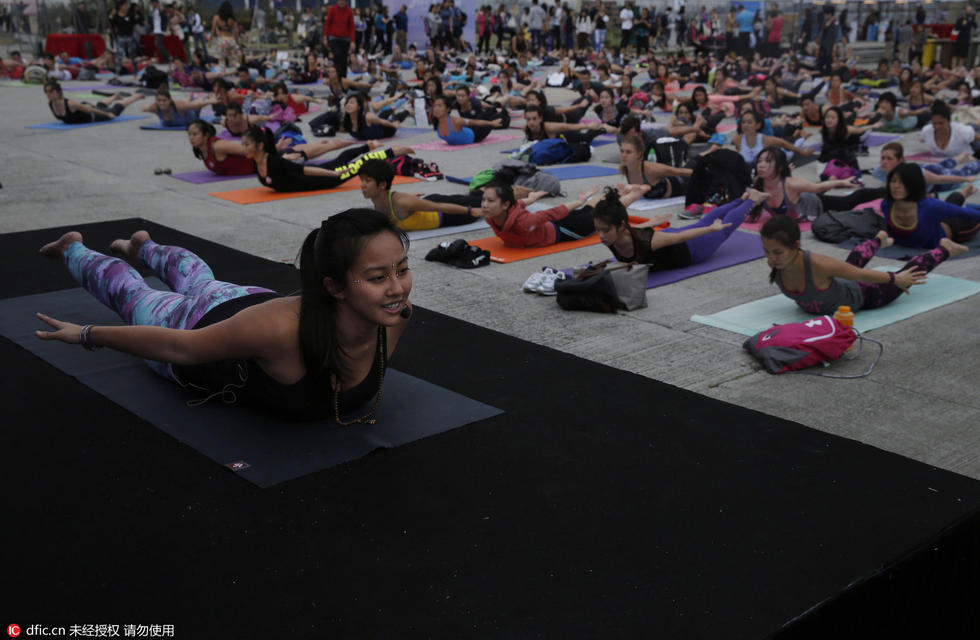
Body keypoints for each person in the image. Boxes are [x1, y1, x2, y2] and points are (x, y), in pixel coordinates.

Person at [34, 210, 413, 423]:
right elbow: (180, 347)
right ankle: (73, 248)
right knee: (134, 295)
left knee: (200, 278)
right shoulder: (281, 330)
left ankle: (143, 245)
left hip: (244, 302)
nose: (397, 288)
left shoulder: (395, 316)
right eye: (379, 277)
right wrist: (86, 333)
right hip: (192, 324)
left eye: (402, 269)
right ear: (334, 286)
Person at [760, 214, 965, 316]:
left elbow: (859, 274)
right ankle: (879, 239)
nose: (772, 258)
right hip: (840, 285)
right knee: (850, 262)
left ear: (796, 246)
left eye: (778, 252)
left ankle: (945, 249)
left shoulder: (817, 264)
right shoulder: (780, 266)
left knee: (906, 275)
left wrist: (896, 279)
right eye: (767, 252)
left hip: (865, 296)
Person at [594, 187, 770, 272]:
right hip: (669, 238)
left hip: (689, 249)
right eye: (598, 230)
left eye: (605, 230)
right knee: (707, 218)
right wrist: (650, 223)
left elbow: (682, 237)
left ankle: (751, 200)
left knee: (722, 230)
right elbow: (635, 230)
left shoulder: (646, 241)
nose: (601, 236)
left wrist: (711, 229)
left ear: (621, 226)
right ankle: (742, 198)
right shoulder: (614, 236)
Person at [358, 158, 480, 231]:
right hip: (428, 204)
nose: (362, 185)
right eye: (362, 180)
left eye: (367, 181)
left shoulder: (402, 202)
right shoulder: (379, 204)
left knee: (485, 200)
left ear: (382, 184)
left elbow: (441, 207)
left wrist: (470, 211)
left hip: (448, 214)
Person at [881, 162, 980, 249]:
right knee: (946, 206)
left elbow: (965, 213)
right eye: (893, 181)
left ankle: (965, 192)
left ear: (914, 184)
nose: (896, 186)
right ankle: (964, 192)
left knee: (952, 209)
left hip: (956, 228)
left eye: (902, 182)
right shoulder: (886, 205)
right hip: (934, 219)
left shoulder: (930, 206)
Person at [618, 136, 691, 200]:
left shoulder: (650, 169)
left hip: (687, 184)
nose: (623, 155)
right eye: (622, 151)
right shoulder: (625, 168)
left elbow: (679, 171)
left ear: (639, 154)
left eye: (628, 152)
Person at [44, 81, 144, 124]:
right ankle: (114, 96)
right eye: (46, 91)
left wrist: (108, 114)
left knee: (114, 111)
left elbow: (89, 109)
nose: (48, 94)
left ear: (58, 91)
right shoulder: (50, 104)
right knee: (100, 106)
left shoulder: (70, 104)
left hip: (92, 114)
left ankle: (134, 97)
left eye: (51, 91)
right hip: (86, 108)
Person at [430, 95, 499, 145]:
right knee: (483, 115)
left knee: (490, 115)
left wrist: (491, 123)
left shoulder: (456, 121)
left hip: (477, 133)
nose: (436, 109)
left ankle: (497, 107)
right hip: (467, 129)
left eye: (439, 106)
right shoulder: (436, 122)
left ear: (448, 109)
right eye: (435, 106)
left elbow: (475, 122)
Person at [143, 86, 215, 127]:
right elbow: (145, 108)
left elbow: (196, 105)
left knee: (194, 103)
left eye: (164, 100)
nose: (161, 103)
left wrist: (212, 100)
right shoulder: (155, 108)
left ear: (170, 100)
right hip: (185, 105)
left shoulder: (178, 106)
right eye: (159, 100)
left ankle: (200, 96)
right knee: (185, 102)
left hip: (194, 113)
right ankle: (190, 96)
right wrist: (146, 107)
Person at [324, 0, 354, 80]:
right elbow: (327, 24)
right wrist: (325, 37)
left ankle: (343, 79)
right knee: (337, 56)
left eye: (343, 1)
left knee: (344, 60)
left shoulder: (349, 11)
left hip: (345, 39)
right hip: (334, 38)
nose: (341, 2)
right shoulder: (332, 9)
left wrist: (352, 41)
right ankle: (337, 77)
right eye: (340, 1)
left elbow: (351, 27)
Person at [211, 0, 241, 67]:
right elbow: (236, 31)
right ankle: (236, 73)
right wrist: (237, 42)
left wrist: (210, 40)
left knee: (222, 61)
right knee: (234, 60)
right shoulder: (233, 18)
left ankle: (223, 75)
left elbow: (213, 30)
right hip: (231, 41)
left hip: (222, 41)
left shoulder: (216, 17)